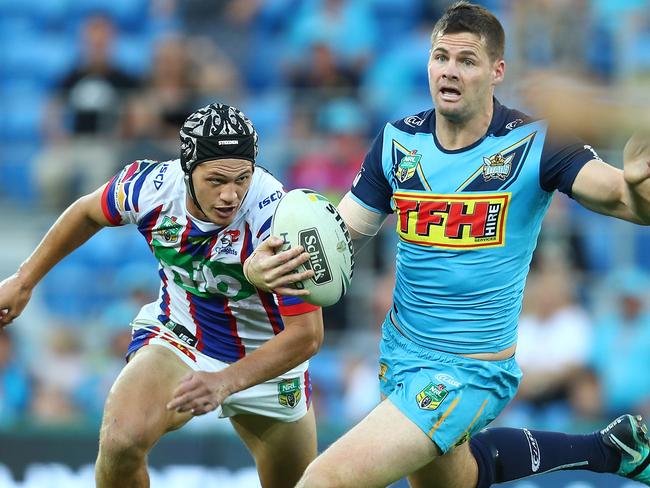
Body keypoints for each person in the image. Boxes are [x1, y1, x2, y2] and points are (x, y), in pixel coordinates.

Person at [244, 2, 650, 487]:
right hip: (400, 356)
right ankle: (606, 450)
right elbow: (340, 235)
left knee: (324, 481)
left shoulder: (535, 143)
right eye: (441, 57)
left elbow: (622, 200)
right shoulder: (398, 142)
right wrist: (262, 268)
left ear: (497, 71)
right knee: (459, 478)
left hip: (470, 372)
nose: (449, 71)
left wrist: (640, 187)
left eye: (467, 60)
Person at [0, 103, 324, 488]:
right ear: (187, 170)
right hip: (183, 337)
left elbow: (307, 335)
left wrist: (223, 381)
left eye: (242, 179)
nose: (230, 195)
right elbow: (88, 212)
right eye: (216, 180)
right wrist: (24, 280)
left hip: (268, 362)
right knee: (121, 442)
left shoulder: (281, 219)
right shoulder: (149, 188)